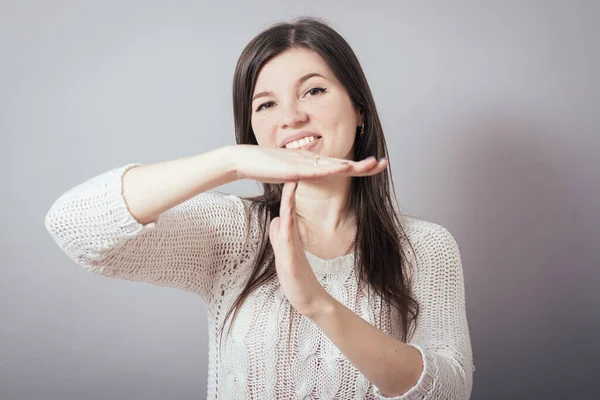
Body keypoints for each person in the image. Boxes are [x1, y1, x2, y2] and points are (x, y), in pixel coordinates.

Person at [45, 16, 474, 399]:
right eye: (266, 104)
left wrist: (316, 302)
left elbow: (447, 390)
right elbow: (75, 226)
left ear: (359, 109)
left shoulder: (425, 248)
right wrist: (230, 161)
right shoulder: (234, 232)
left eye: (314, 90)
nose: (291, 117)